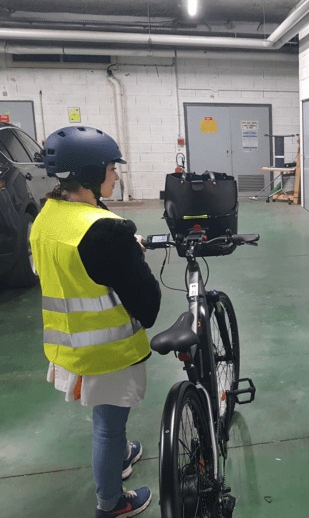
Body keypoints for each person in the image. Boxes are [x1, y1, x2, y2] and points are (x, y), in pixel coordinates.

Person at [29, 126, 161, 517]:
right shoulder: (107, 232)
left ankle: (122, 455)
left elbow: (55, 270)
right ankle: (112, 503)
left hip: (65, 344)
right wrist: (130, 254)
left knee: (108, 418)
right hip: (108, 350)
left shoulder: (46, 217)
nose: (116, 176)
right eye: (110, 168)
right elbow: (149, 307)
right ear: (90, 175)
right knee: (107, 423)